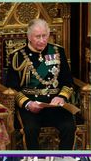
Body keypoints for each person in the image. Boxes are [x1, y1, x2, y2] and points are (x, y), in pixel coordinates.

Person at [6, 18, 76, 150]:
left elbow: (68, 81)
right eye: (38, 36)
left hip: (55, 104)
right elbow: (12, 88)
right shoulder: (17, 56)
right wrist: (28, 104)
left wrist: (61, 97)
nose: (42, 40)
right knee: (31, 130)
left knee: (69, 126)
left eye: (45, 36)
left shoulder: (58, 52)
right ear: (29, 37)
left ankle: (63, 160)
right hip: (31, 105)